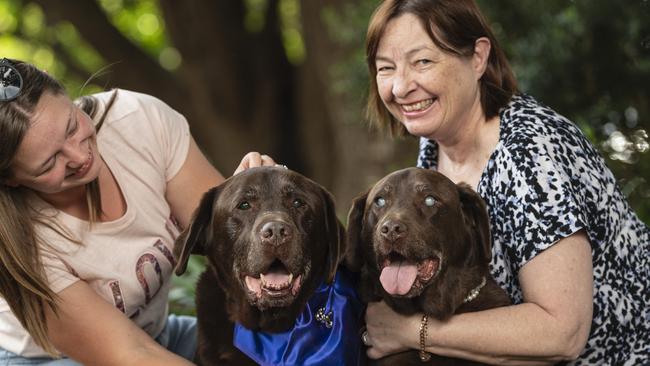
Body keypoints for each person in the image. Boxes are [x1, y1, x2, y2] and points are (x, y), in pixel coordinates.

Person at [361, 0, 649, 365]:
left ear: (478, 58)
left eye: (423, 62)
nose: (401, 87)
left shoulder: (530, 151)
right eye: (386, 68)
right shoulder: (435, 148)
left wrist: (412, 330)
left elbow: (562, 333)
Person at [0, 58, 276, 365]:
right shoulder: (15, 242)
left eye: (72, 126)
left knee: (270, 349)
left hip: (155, 336)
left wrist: (251, 211)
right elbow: (132, 354)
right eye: (50, 163)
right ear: (11, 179)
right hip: (57, 359)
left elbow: (229, 249)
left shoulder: (136, 121)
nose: (80, 156)